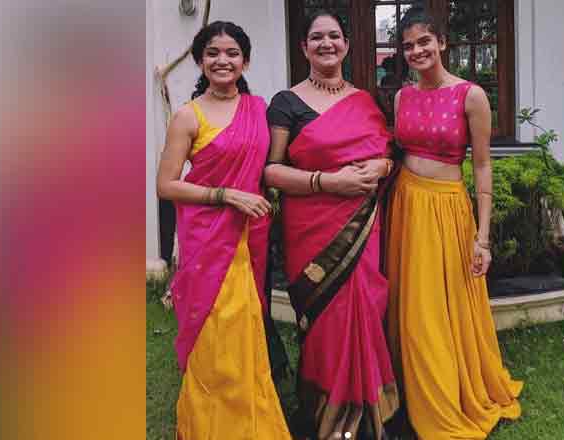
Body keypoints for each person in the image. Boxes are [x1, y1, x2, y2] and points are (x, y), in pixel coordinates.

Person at [385, 7, 524, 440]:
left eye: (424, 41)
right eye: (408, 45)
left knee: (441, 310)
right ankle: (409, 389)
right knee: (412, 308)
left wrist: (482, 238)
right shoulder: (402, 97)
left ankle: (445, 397)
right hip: (406, 205)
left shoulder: (470, 95)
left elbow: (482, 167)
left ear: (442, 42)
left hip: (447, 210)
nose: (416, 51)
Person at [264, 10, 398, 440]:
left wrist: (381, 166)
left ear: (346, 44)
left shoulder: (366, 100)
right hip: (312, 229)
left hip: (362, 227)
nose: (327, 43)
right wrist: (328, 181)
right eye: (317, 37)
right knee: (326, 318)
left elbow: (387, 155)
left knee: (365, 308)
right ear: (303, 47)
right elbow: (272, 170)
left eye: (334, 36)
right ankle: (325, 414)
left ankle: (368, 416)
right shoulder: (286, 102)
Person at [156, 21, 291, 440]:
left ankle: (252, 422)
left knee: (247, 330)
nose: (222, 60)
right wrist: (225, 195)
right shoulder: (188, 116)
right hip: (208, 241)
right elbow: (166, 185)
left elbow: (276, 165)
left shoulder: (259, 110)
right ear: (200, 60)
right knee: (213, 334)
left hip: (251, 235)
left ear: (245, 62)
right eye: (213, 52)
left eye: (232, 53)